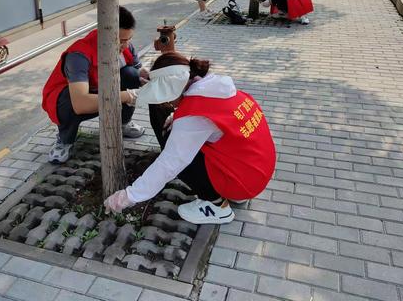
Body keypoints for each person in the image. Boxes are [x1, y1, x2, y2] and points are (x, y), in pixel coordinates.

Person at [103, 52, 276, 225]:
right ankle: (232, 192)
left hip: (242, 182)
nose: (166, 103)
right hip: (255, 172)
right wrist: (178, 115)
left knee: (178, 151)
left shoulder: (194, 114)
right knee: (182, 143)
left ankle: (217, 206)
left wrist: (129, 195)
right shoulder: (218, 88)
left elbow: (170, 162)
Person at [42, 6, 147, 163]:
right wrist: (125, 96)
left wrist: (149, 75)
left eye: (128, 39)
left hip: (103, 92)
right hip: (74, 101)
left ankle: (123, 123)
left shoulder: (126, 46)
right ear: (105, 35)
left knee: (132, 75)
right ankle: (65, 140)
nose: (126, 45)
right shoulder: (78, 55)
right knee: (67, 101)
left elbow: (138, 70)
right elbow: (80, 104)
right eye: (121, 41)